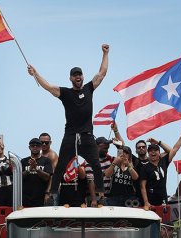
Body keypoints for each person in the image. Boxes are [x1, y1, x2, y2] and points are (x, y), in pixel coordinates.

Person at [27, 44, 109, 198]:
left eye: (80, 75)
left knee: (96, 165)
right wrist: (35, 74)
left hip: (87, 135)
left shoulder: (89, 88)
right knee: (61, 165)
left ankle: (100, 195)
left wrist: (105, 53)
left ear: (83, 77)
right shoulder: (65, 92)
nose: (78, 77)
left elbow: (102, 73)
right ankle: (52, 194)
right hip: (70, 135)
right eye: (74, 75)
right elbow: (48, 86)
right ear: (70, 78)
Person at [140, 129, 181, 210]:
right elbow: (142, 186)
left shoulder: (164, 162)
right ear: (148, 154)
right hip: (150, 200)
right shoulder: (145, 167)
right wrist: (146, 202)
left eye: (155, 150)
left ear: (159, 153)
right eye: (151, 151)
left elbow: (175, 149)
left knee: (162, 221)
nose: (153, 153)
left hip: (163, 200)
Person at [133, 138, 171, 205]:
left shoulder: (155, 159)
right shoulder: (134, 161)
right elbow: (123, 149)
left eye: (143, 147)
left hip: (155, 197)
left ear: (147, 149)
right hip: (138, 197)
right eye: (139, 147)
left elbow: (170, 151)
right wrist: (116, 131)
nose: (141, 148)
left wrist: (158, 142)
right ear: (136, 151)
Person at [21, 138, 53, 207]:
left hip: (41, 197)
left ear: (41, 147)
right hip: (26, 198)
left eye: (37, 145)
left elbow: (47, 177)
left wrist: (36, 168)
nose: (35, 147)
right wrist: (30, 168)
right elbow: (19, 177)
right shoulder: (23, 161)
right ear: (29, 147)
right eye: (33, 146)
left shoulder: (46, 161)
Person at [39, 132, 59, 204]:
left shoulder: (52, 155)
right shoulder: (40, 154)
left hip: (51, 190)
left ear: (50, 143)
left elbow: (53, 175)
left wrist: (48, 192)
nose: (44, 144)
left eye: (46, 143)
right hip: (42, 188)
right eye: (42, 142)